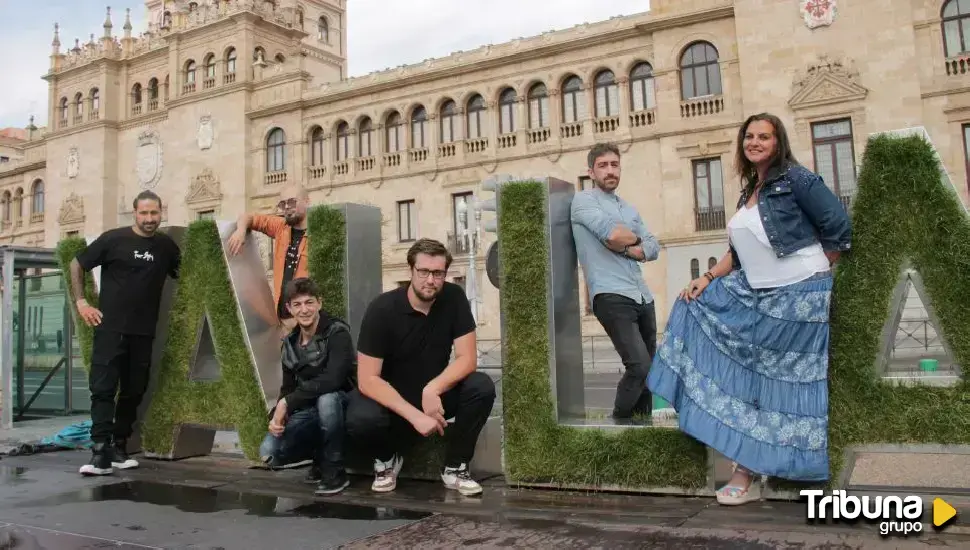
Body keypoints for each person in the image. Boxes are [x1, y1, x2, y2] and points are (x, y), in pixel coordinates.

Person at [647, 113, 852, 505]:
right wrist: (706, 279)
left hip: (797, 296)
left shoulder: (797, 179)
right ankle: (749, 468)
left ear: (778, 143)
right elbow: (737, 254)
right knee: (696, 312)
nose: (755, 142)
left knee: (780, 384)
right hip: (758, 292)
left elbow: (838, 226)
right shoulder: (749, 192)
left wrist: (813, 275)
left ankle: (756, 472)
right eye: (750, 136)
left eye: (764, 137)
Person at [346, 238, 496, 496]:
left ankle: (455, 466)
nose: (430, 280)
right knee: (361, 416)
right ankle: (386, 459)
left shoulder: (454, 298)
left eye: (438, 273)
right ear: (410, 271)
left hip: (433, 396)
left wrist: (433, 389)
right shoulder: (382, 309)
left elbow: (467, 358)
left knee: (481, 386)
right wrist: (414, 416)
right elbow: (368, 379)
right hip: (391, 398)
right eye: (423, 272)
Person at [70, 190, 182, 476]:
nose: (149, 219)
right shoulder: (113, 239)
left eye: (154, 213)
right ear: (135, 213)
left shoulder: (167, 247)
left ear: (161, 212)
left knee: (134, 390)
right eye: (143, 213)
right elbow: (77, 264)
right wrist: (82, 302)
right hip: (110, 329)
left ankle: (119, 447)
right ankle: (99, 452)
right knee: (104, 389)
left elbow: (183, 274)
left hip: (143, 333)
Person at [570, 142, 661, 421]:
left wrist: (630, 246)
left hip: (642, 296)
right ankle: (619, 422)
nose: (610, 171)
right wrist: (633, 242)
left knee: (652, 370)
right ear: (591, 171)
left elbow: (654, 246)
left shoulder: (628, 207)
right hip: (610, 294)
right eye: (603, 165)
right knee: (639, 366)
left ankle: (642, 424)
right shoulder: (584, 201)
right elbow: (611, 235)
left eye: (614, 164)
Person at [258, 277, 356, 495]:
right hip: (310, 410)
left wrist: (288, 402)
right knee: (269, 452)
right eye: (297, 304)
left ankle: (335, 470)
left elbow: (334, 379)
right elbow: (287, 388)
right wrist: (277, 415)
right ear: (289, 308)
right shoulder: (290, 345)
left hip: (344, 405)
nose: (304, 310)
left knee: (327, 400)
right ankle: (319, 456)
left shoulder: (337, 332)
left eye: (309, 302)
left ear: (319, 303)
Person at [227, 183, 311, 335]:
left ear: (306, 201)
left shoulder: (319, 233)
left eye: (292, 202)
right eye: (282, 204)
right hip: (284, 323)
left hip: (306, 322)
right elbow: (248, 217)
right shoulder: (281, 227)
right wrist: (240, 231)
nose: (287, 207)